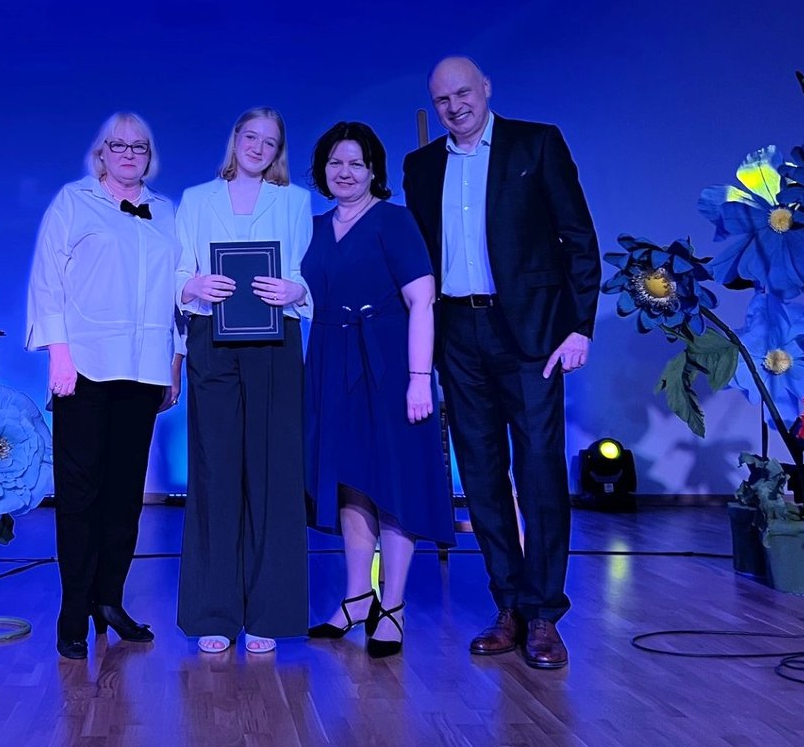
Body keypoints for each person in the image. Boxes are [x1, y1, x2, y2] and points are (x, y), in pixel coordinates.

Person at [402, 55, 599, 670]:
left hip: (532, 334)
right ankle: (508, 604)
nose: (455, 106)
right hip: (457, 334)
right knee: (481, 474)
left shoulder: (536, 144)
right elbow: (419, 259)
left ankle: (544, 614)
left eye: (463, 93)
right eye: (442, 100)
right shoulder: (421, 166)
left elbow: (578, 237)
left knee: (539, 471)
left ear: (485, 89)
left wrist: (579, 327)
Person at [26, 111, 184, 661]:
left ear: (150, 156)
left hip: (144, 370)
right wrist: (59, 355)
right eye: (119, 145)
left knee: (125, 496)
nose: (129, 154)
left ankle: (110, 601)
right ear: (101, 153)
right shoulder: (73, 202)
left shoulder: (167, 212)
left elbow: (178, 292)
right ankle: (74, 610)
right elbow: (47, 282)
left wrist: (175, 361)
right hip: (86, 368)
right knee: (80, 495)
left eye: (139, 147)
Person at [301, 121, 454, 659]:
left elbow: (422, 302)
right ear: (322, 169)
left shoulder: (394, 220)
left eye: (356, 163)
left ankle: (393, 607)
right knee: (351, 484)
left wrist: (420, 380)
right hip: (329, 361)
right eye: (335, 162)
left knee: (393, 481)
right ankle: (355, 599)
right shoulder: (312, 227)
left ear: (373, 171)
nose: (345, 172)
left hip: (389, 363)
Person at [175, 107, 312, 655]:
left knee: (274, 474)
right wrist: (193, 286)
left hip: (276, 344)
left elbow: (304, 273)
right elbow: (179, 274)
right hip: (211, 342)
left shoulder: (295, 201)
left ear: (279, 151)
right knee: (214, 471)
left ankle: (269, 613)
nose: (258, 147)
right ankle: (215, 611)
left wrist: (296, 291)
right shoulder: (194, 199)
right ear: (234, 139)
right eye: (250, 136)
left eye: (269, 141)